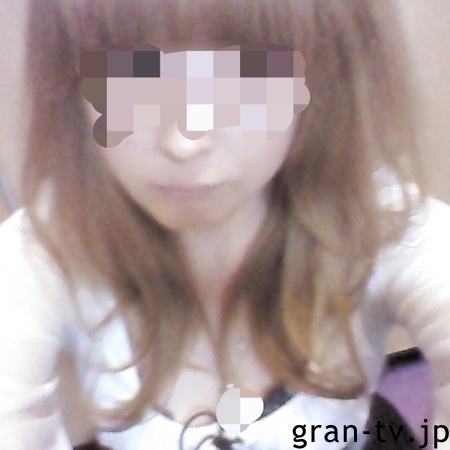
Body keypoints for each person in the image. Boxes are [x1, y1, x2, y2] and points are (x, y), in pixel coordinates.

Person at [1, 0, 450, 449]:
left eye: (244, 79)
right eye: (131, 78)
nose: (183, 142)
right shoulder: (49, 250)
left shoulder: (376, 225)